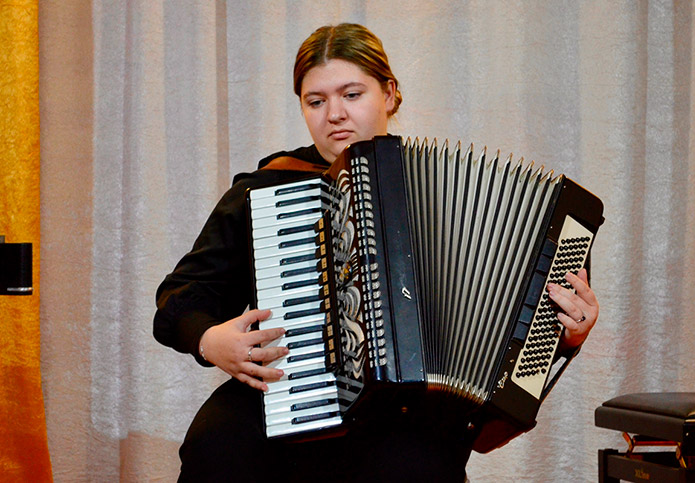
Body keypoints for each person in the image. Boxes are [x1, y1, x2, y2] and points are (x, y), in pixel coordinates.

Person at [153, 23, 600, 482]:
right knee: (215, 443)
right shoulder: (271, 189)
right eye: (316, 101)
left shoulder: (443, 189)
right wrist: (211, 340)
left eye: (352, 94)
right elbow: (182, 297)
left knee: (413, 469)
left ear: (388, 94)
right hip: (293, 389)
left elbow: (531, 324)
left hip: (412, 412)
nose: (335, 115)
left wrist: (568, 334)